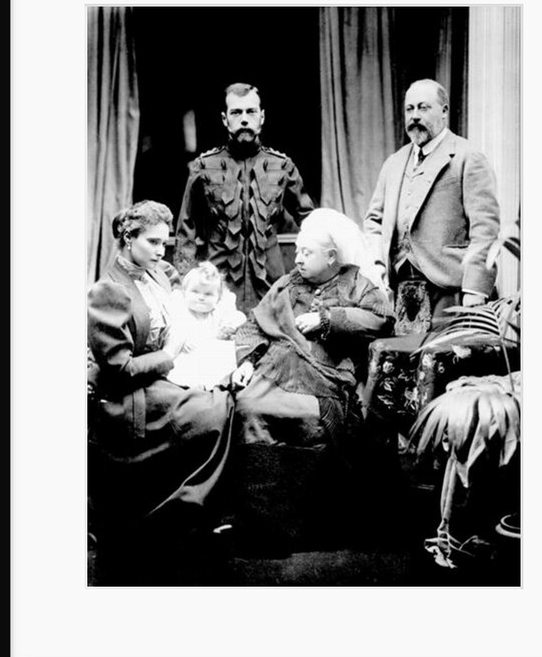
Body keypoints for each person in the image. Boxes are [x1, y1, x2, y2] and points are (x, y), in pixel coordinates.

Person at [227, 208, 395, 552]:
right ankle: (263, 524)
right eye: (298, 251)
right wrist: (247, 360)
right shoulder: (287, 284)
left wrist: (328, 319)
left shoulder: (355, 283)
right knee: (247, 407)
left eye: (307, 252)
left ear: (331, 257)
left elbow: (382, 320)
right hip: (274, 368)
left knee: (307, 416)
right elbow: (254, 325)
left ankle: (307, 526)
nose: (298, 258)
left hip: (326, 374)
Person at [87, 201, 235, 582]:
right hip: (128, 394)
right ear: (127, 238)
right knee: (213, 412)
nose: (160, 251)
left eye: (164, 244)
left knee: (225, 396)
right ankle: (179, 516)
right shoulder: (108, 291)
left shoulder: (157, 274)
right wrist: (170, 355)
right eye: (152, 242)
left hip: (160, 377)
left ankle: (195, 514)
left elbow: (191, 293)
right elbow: (120, 369)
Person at [363, 78, 501, 334]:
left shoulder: (468, 157)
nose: (414, 116)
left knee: (443, 368)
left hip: (450, 290)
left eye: (423, 108)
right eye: (409, 109)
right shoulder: (394, 163)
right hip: (401, 293)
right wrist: (378, 264)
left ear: (444, 111)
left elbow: (486, 230)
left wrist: (475, 289)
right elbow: (373, 221)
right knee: (403, 367)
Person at [173, 82, 315, 315]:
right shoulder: (203, 167)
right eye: (236, 112)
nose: (244, 119)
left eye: (251, 111)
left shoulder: (282, 167)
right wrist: (184, 285)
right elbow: (186, 230)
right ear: (224, 119)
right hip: (217, 285)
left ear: (262, 117)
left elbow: (311, 223)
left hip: (271, 284)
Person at [163, 261, 247, 390]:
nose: (201, 298)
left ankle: (215, 384)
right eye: (195, 292)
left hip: (210, 358)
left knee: (225, 350)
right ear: (185, 292)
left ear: (218, 298)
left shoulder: (216, 313)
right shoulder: (182, 311)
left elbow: (238, 317)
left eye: (208, 294)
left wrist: (229, 326)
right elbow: (174, 330)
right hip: (187, 356)